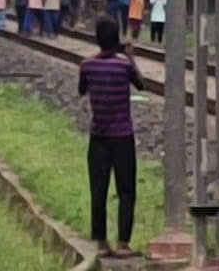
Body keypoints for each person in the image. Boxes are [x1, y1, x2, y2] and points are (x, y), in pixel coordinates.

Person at [77, 16, 144, 259]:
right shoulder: (124, 66)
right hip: (123, 136)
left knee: (99, 189)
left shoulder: (87, 65)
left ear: (97, 39)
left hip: (99, 136)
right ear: (117, 40)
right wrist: (130, 56)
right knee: (126, 190)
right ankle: (123, 243)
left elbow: (82, 90)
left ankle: (101, 242)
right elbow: (141, 84)